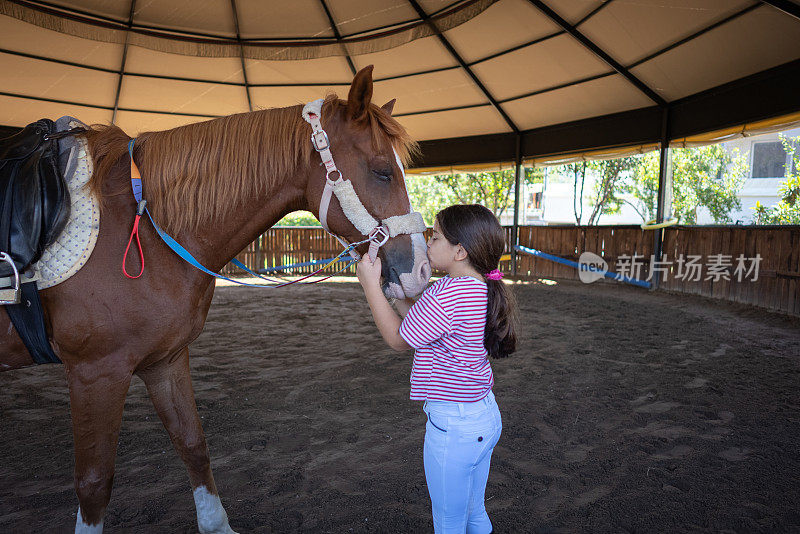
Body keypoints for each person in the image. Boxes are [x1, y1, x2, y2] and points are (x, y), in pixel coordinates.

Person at [356, 204, 517, 534]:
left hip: (454, 429)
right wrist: (395, 290)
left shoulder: (445, 294)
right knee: (474, 513)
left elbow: (401, 340)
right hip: (483, 417)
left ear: (459, 251)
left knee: (449, 525)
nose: (427, 242)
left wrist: (370, 286)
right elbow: (424, 322)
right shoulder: (480, 287)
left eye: (435, 237)